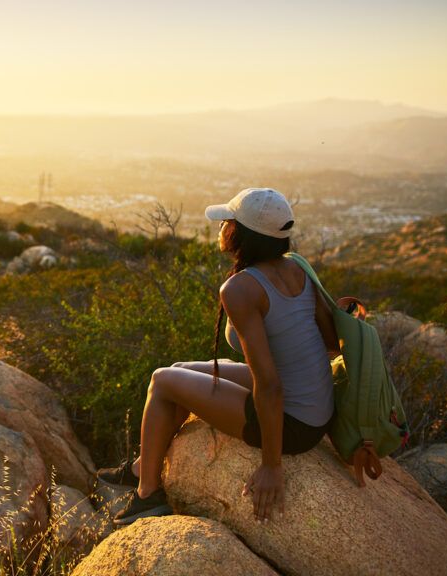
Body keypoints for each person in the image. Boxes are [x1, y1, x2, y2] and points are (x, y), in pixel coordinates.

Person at [98, 187, 339, 526]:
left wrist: (272, 466)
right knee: (180, 370)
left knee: (162, 380)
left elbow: (268, 386)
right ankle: (142, 466)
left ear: (241, 233)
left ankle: (147, 495)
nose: (222, 227)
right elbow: (331, 341)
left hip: (294, 423)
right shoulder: (297, 269)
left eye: (228, 221)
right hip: (315, 408)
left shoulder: (241, 288)